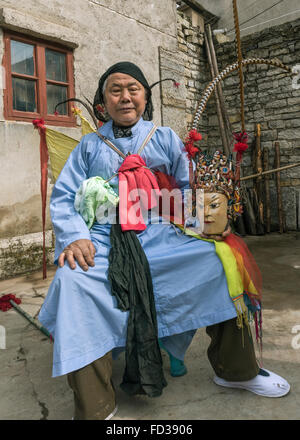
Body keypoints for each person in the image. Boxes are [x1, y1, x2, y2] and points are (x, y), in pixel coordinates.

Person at [38, 62, 290, 421]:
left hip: (161, 230)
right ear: (102, 102)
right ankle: (95, 406)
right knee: (73, 280)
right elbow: (64, 198)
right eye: (115, 90)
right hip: (105, 236)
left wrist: (204, 219)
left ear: (145, 96)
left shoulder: (165, 138)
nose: (125, 96)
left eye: (133, 88)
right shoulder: (89, 146)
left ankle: (235, 371)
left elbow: (188, 189)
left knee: (221, 261)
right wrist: (75, 236)